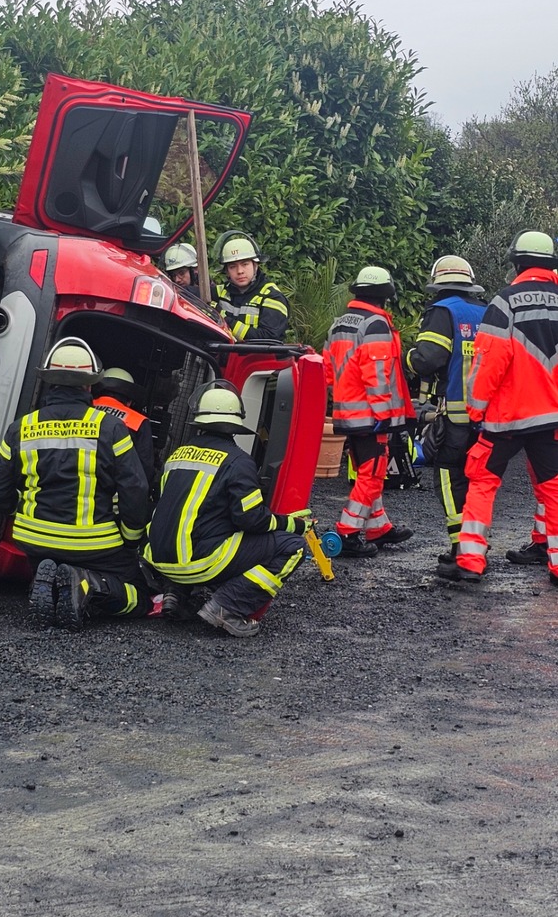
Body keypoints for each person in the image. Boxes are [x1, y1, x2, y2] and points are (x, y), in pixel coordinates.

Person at [0, 337, 150, 629]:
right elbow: (135, 489)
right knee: (140, 596)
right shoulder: (110, 428)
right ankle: (86, 585)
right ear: (89, 385)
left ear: (49, 381)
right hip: (93, 544)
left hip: (34, 541)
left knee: (53, 567)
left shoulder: (22, 427)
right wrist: (131, 538)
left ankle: (52, 582)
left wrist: (21, 508)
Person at [143, 381, 309, 638]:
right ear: (236, 422)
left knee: (200, 529)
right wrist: (293, 525)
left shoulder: (177, 455)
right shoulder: (239, 461)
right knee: (293, 547)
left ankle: (176, 596)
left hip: (159, 560)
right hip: (199, 563)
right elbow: (252, 520)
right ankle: (227, 608)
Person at [438, 231, 558, 585]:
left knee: (483, 481)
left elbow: (488, 363)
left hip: (507, 417)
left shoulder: (505, 302)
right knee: (553, 488)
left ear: (517, 263)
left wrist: (476, 412)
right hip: (551, 416)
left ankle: (471, 560)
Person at [325, 265, 415, 557]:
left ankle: (378, 528)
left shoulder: (340, 323)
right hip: (369, 415)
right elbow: (376, 373)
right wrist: (384, 414)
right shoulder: (375, 323)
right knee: (373, 473)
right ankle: (347, 532)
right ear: (384, 296)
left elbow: (327, 370)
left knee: (368, 469)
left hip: (346, 413)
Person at [406, 255, 486, 569]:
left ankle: (461, 551)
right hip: (486, 418)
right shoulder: (486, 310)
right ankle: (476, 546)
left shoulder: (442, 311)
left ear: (437, 284)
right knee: (478, 483)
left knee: (449, 480)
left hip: (455, 418)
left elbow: (428, 359)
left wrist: (407, 357)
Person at [212, 233, 289, 342]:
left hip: (259, 358)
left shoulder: (272, 297)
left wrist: (222, 319)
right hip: (227, 358)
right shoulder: (220, 292)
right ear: (226, 271)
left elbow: (268, 338)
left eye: (245, 264)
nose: (240, 271)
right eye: (232, 266)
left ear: (255, 265)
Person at [91, 367, 156, 487]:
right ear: (129, 401)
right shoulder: (138, 421)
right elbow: (144, 469)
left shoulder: (83, 408)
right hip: (111, 493)